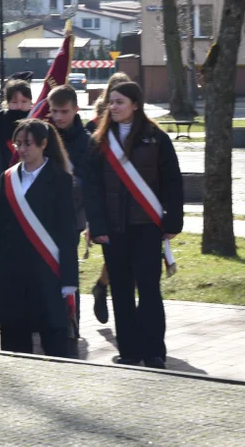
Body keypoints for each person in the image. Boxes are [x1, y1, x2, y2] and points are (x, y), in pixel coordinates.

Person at [84, 81, 183, 369]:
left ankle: (154, 351)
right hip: (113, 229)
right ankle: (129, 349)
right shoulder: (99, 140)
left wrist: (173, 220)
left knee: (149, 289)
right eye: (110, 102)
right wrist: (98, 225)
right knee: (122, 291)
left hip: (146, 227)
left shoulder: (156, 138)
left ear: (135, 105)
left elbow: (172, 182)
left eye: (119, 102)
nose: (112, 107)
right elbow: (92, 188)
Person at [0, 119, 77, 357]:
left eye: (28, 143)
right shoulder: (7, 178)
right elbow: (0, 226)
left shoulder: (60, 179)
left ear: (44, 144)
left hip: (46, 271)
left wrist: (69, 278)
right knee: (13, 339)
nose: (22, 149)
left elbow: (68, 232)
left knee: (53, 337)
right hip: (12, 270)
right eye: (18, 144)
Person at [83, 70, 131, 322]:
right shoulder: (94, 128)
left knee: (129, 260)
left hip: (133, 205)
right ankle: (102, 287)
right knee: (117, 258)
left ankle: (102, 286)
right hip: (106, 206)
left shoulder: (134, 126)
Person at [47, 84, 91, 328]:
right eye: (54, 111)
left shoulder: (86, 141)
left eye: (64, 111)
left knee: (68, 269)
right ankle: (48, 317)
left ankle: (71, 320)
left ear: (75, 109)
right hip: (44, 216)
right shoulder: (45, 136)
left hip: (72, 217)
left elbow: (84, 180)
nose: (58, 117)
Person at [0, 79, 33, 207]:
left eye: (24, 102)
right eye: (14, 102)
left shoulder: (36, 120)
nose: (19, 107)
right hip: (5, 183)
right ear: (7, 103)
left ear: (30, 101)